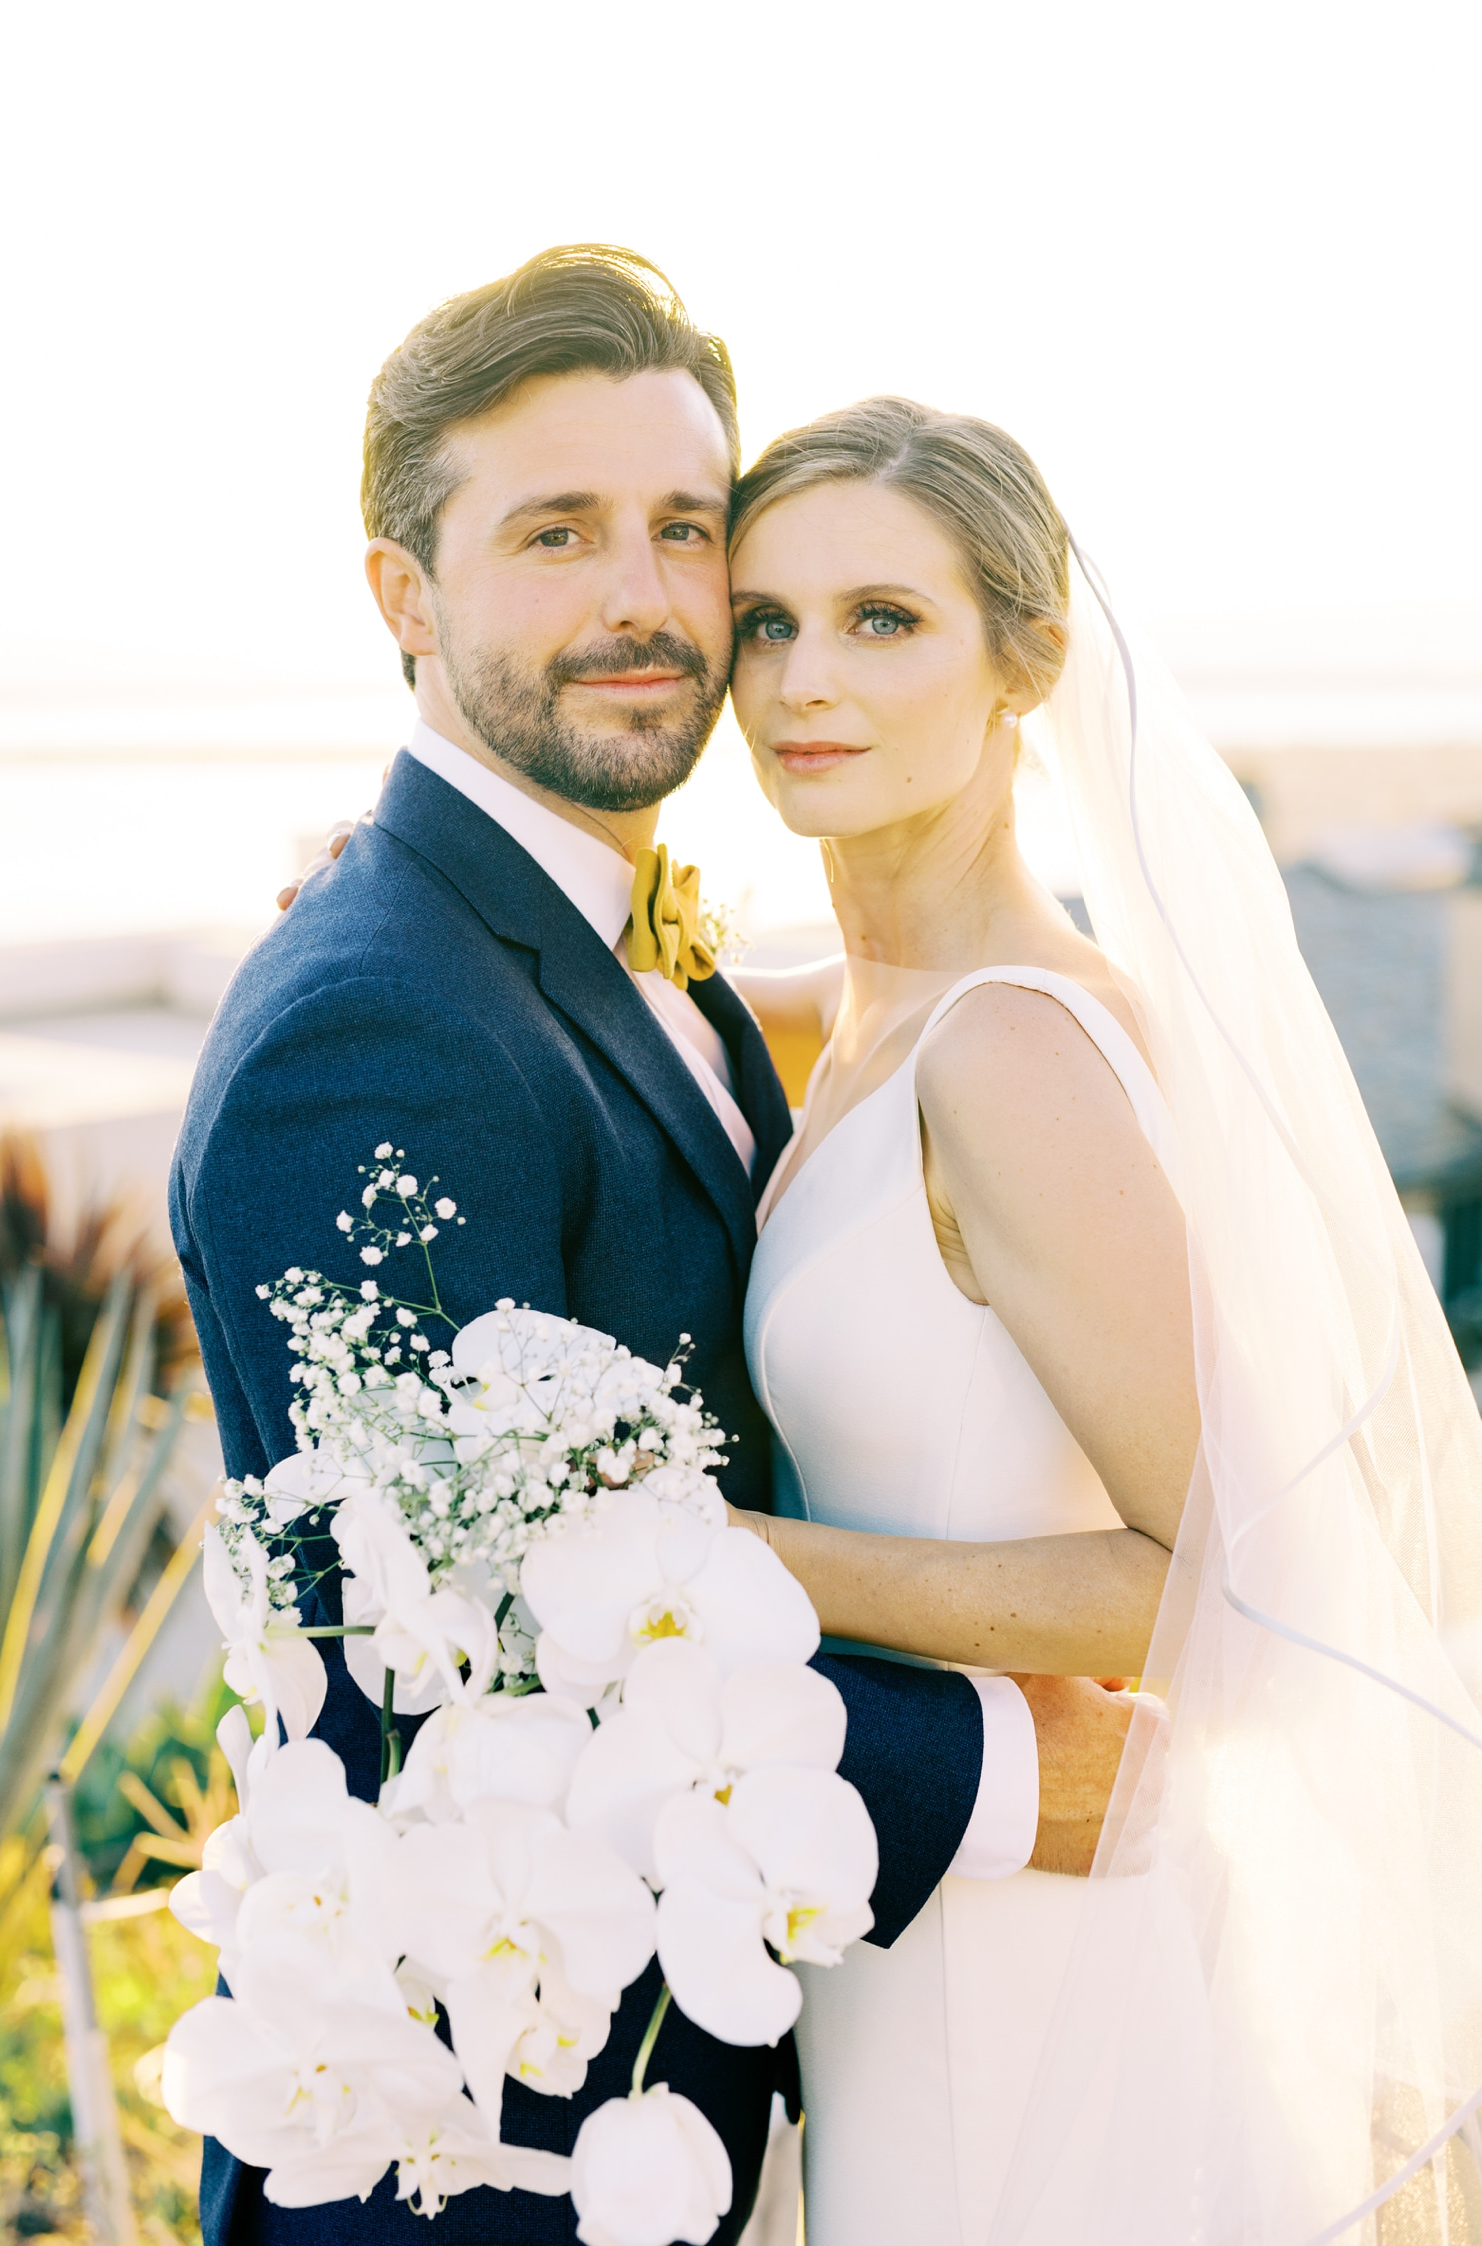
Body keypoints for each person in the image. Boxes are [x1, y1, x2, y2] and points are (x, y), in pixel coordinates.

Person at [171, 247, 1129, 2246]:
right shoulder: (382, 1021)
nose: (640, 599)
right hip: (479, 2156)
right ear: (402, 596)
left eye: (680, 530)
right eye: (553, 532)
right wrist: (992, 1773)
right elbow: (486, 1633)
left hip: (705, 2095)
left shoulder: (616, 964)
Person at [711, 400, 1482, 2244]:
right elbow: (712, 994)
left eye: (885, 619)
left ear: (1024, 665)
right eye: (765, 620)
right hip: (923, 1914)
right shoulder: (878, 1009)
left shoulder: (1009, 1050)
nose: (806, 678)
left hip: (1046, 1961)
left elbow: (1219, 1575)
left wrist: (734, 1566)